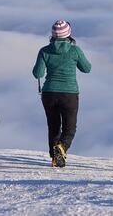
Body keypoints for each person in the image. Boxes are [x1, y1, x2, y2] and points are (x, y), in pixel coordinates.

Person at [32, 20, 91, 168]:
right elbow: (87, 68)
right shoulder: (75, 51)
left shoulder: (44, 51)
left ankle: (54, 158)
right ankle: (62, 148)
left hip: (49, 93)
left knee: (53, 126)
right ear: (68, 34)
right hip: (69, 94)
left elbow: (37, 73)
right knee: (70, 128)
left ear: (53, 35)